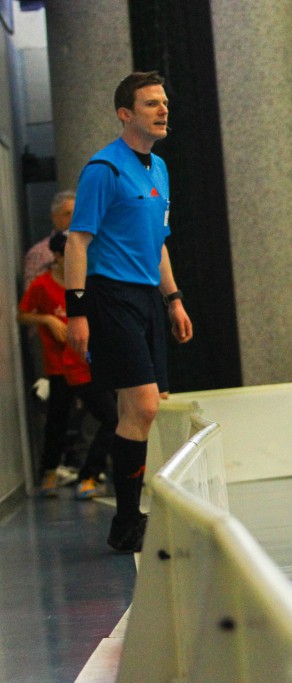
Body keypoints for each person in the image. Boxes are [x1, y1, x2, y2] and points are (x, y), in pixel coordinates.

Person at [65, 71, 193, 552]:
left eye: (164, 103)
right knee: (143, 405)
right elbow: (78, 242)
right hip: (110, 294)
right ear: (125, 114)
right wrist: (76, 310)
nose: (163, 110)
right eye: (150, 104)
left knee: (137, 410)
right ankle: (126, 521)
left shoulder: (159, 168)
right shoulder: (104, 169)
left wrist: (174, 299)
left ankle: (127, 518)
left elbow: (158, 243)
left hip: (146, 298)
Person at [17, 231, 118, 500]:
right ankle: (52, 471)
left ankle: (89, 474)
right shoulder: (42, 285)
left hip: (85, 364)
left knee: (108, 417)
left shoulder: (89, 282)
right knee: (57, 420)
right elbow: (23, 314)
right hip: (60, 365)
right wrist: (48, 320)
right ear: (57, 256)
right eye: (67, 253)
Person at [23, 190, 76, 291]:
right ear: (54, 217)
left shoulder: (93, 247)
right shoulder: (40, 253)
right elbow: (33, 293)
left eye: (77, 214)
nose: (73, 219)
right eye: (67, 214)